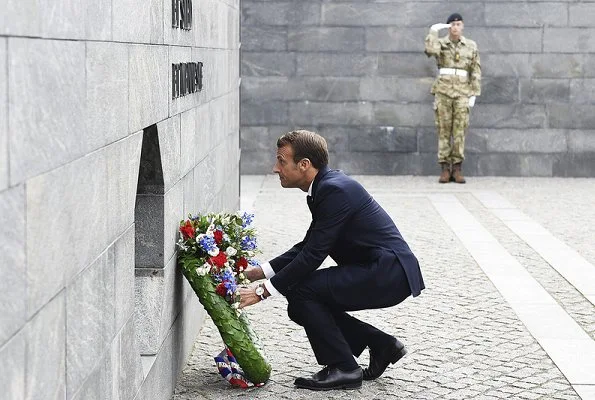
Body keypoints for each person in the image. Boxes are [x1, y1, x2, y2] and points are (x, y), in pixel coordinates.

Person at [239, 130, 424, 391]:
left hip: (388, 272)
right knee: (299, 304)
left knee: (302, 292)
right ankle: (381, 344)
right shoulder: (326, 187)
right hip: (379, 269)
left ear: (304, 165)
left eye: (281, 161)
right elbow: (308, 246)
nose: (275, 168)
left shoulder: (333, 190)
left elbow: (313, 255)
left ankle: (345, 368)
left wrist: (262, 292)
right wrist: (257, 273)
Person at [424, 13, 481, 184]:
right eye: (452, 24)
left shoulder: (470, 45)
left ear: (462, 26)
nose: (455, 27)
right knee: (443, 130)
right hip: (443, 92)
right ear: (448, 27)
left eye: (458, 24)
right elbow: (430, 51)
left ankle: (457, 168)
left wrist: (474, 93)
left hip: (463, 93)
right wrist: (433, 32)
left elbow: (475, 70)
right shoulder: (441, 44)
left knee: (459, 131)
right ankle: (444, 168)